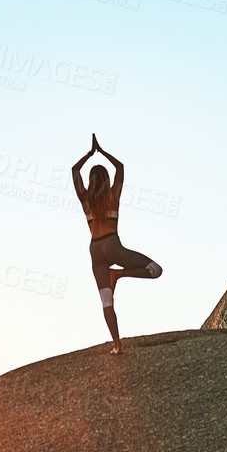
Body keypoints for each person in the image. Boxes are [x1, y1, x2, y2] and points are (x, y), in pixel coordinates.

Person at [71, 133, 162, 353]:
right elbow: (120, 167)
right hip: (112, 245)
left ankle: (117, 345)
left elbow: (74, 171)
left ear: (91, 180)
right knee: (155, 270)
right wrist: (101, 152)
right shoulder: (113, 195)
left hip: (94, 249)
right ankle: (119, 274)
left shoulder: (85, 199)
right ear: (106, 180)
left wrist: (88, 154)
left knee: (106, 301)